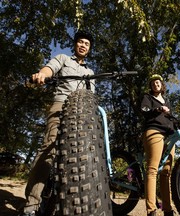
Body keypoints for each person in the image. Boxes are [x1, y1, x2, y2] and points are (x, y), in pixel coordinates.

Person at [20, 30, 94, 216]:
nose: (83, 45)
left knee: (80, 156)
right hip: (61, 106)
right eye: (80, 42)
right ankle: (31, 205)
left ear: (89, 48)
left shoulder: (90, 72)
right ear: (75, 44)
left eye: (87, 43)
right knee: (49, 149)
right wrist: (41, 75)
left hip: (82, 114)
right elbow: (49, 69)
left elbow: (92, 96)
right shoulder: (63, 58)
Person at [141, 74, 175, 216]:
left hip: (169, 135)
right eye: (153, 82)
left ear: (162, 85)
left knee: (166, 173)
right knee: (153, 169)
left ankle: (168, 210)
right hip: (154, 131)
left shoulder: (167, 101)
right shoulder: (147, 98)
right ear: (151, 86)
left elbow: (170, 117)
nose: (156, 84)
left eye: (158, 82)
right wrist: (158, 109)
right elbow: (144, 110)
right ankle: (151, 210)